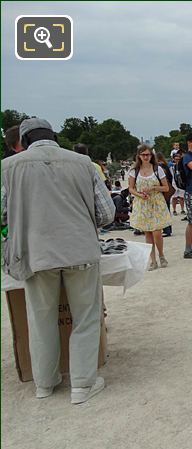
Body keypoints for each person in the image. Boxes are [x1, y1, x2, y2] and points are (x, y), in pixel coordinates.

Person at [1, 118, 115, 403]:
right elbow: (107, 213)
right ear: (54, 136)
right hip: (80, 250)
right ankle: (82, 385)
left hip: (34, 253)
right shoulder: (82, 162)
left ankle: (45, 383)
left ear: (24, 142)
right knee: (86, 318)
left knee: (40, 320)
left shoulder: (8, 167)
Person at [129, 146, 172, 270]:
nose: (146, 157)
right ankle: (153, 260)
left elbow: (166, 188)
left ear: (151, 156)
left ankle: (161, 254)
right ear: (139, 156)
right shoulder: (134, 171)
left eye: (148, 154)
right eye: (143, 155)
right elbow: (131, 188)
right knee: (148, 232)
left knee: (157, 232)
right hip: (143, 203)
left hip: (156, 203)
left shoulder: (158, 169)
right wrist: (139, 195)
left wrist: (153, 188)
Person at [156, 152, 174, 237]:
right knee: (167, 210)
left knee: (163, 210)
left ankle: (166, 229)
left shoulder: (159, 167)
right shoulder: (166, 165)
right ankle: (168, 229)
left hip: (161, 190)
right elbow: (170, 177)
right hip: (167, 190)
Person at [170, 150, 186, 217]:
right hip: (174, 183)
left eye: (179, 159)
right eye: (176, 159)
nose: (177, 160)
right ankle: (174, 210)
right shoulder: (171, 167)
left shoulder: (183, 167)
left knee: (182, 197)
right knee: (174, 197)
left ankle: (182, 209)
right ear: (173, 159)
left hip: (181, 183)